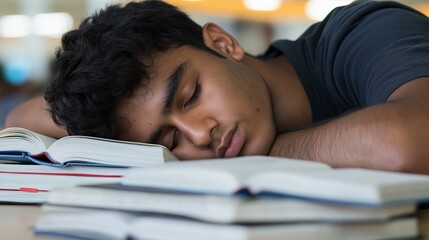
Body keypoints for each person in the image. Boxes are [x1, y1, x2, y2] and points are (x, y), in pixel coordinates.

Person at [5, 0, 429, 174]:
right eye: (170, 139)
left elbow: (408, 141)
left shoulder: (362, 34)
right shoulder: (206, 134)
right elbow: (21, 117)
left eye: (191, 95)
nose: (200, 134)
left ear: (223, 43)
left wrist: (269, 152)